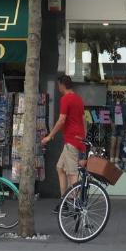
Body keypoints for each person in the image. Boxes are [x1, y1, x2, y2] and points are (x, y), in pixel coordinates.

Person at [41, 74, 86, 211]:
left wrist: (49, 136)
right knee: (60, 168)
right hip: (78, 139)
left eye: (58, 85)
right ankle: (64, 202)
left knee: (72, 173)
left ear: (61, 85)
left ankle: (77, 204)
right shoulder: (78, 99)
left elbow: (61, 120)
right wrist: (84, 137)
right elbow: (84, 120)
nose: (57, 87)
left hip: (71, 141)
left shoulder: (66, 99)